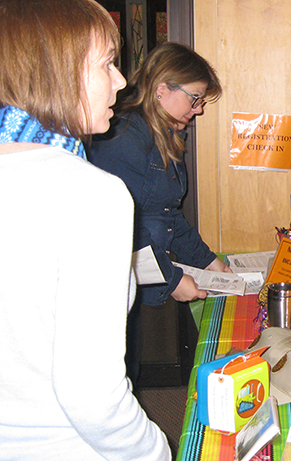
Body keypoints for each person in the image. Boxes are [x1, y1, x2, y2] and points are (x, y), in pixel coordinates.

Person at [0, 0, 171, 459]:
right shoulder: (91, 193)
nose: (120, 81)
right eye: (107, 64)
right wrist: (155, 450)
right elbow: (93, 398)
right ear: (57, 71)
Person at [89, 42, 231, 308]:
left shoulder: (164, 135)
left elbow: (167, 214)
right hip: (126, 284)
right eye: (195, 98)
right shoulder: (124, 137)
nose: (199, 109)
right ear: (161, 89)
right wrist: (172, 280)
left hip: (150, 277)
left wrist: (208, 261)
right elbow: (123, 223)